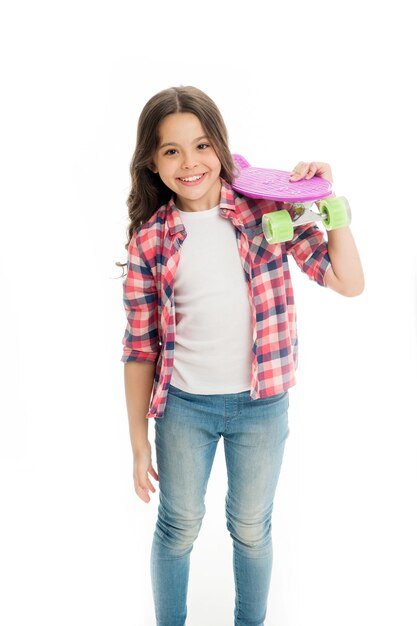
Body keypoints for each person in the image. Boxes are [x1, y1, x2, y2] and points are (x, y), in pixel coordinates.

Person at [119, 85, 364, 626]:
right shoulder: (150, 242)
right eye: (171, 151)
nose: (190, 163)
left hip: (262, 406)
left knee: (252, 527)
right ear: (153, 164)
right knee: (178, 525)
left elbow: (348, 281)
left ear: (222, 148)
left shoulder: (265, 210)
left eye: (202, 145)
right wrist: (139, 443)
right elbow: (139, 349)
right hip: (184, 408)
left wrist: (329, 203)